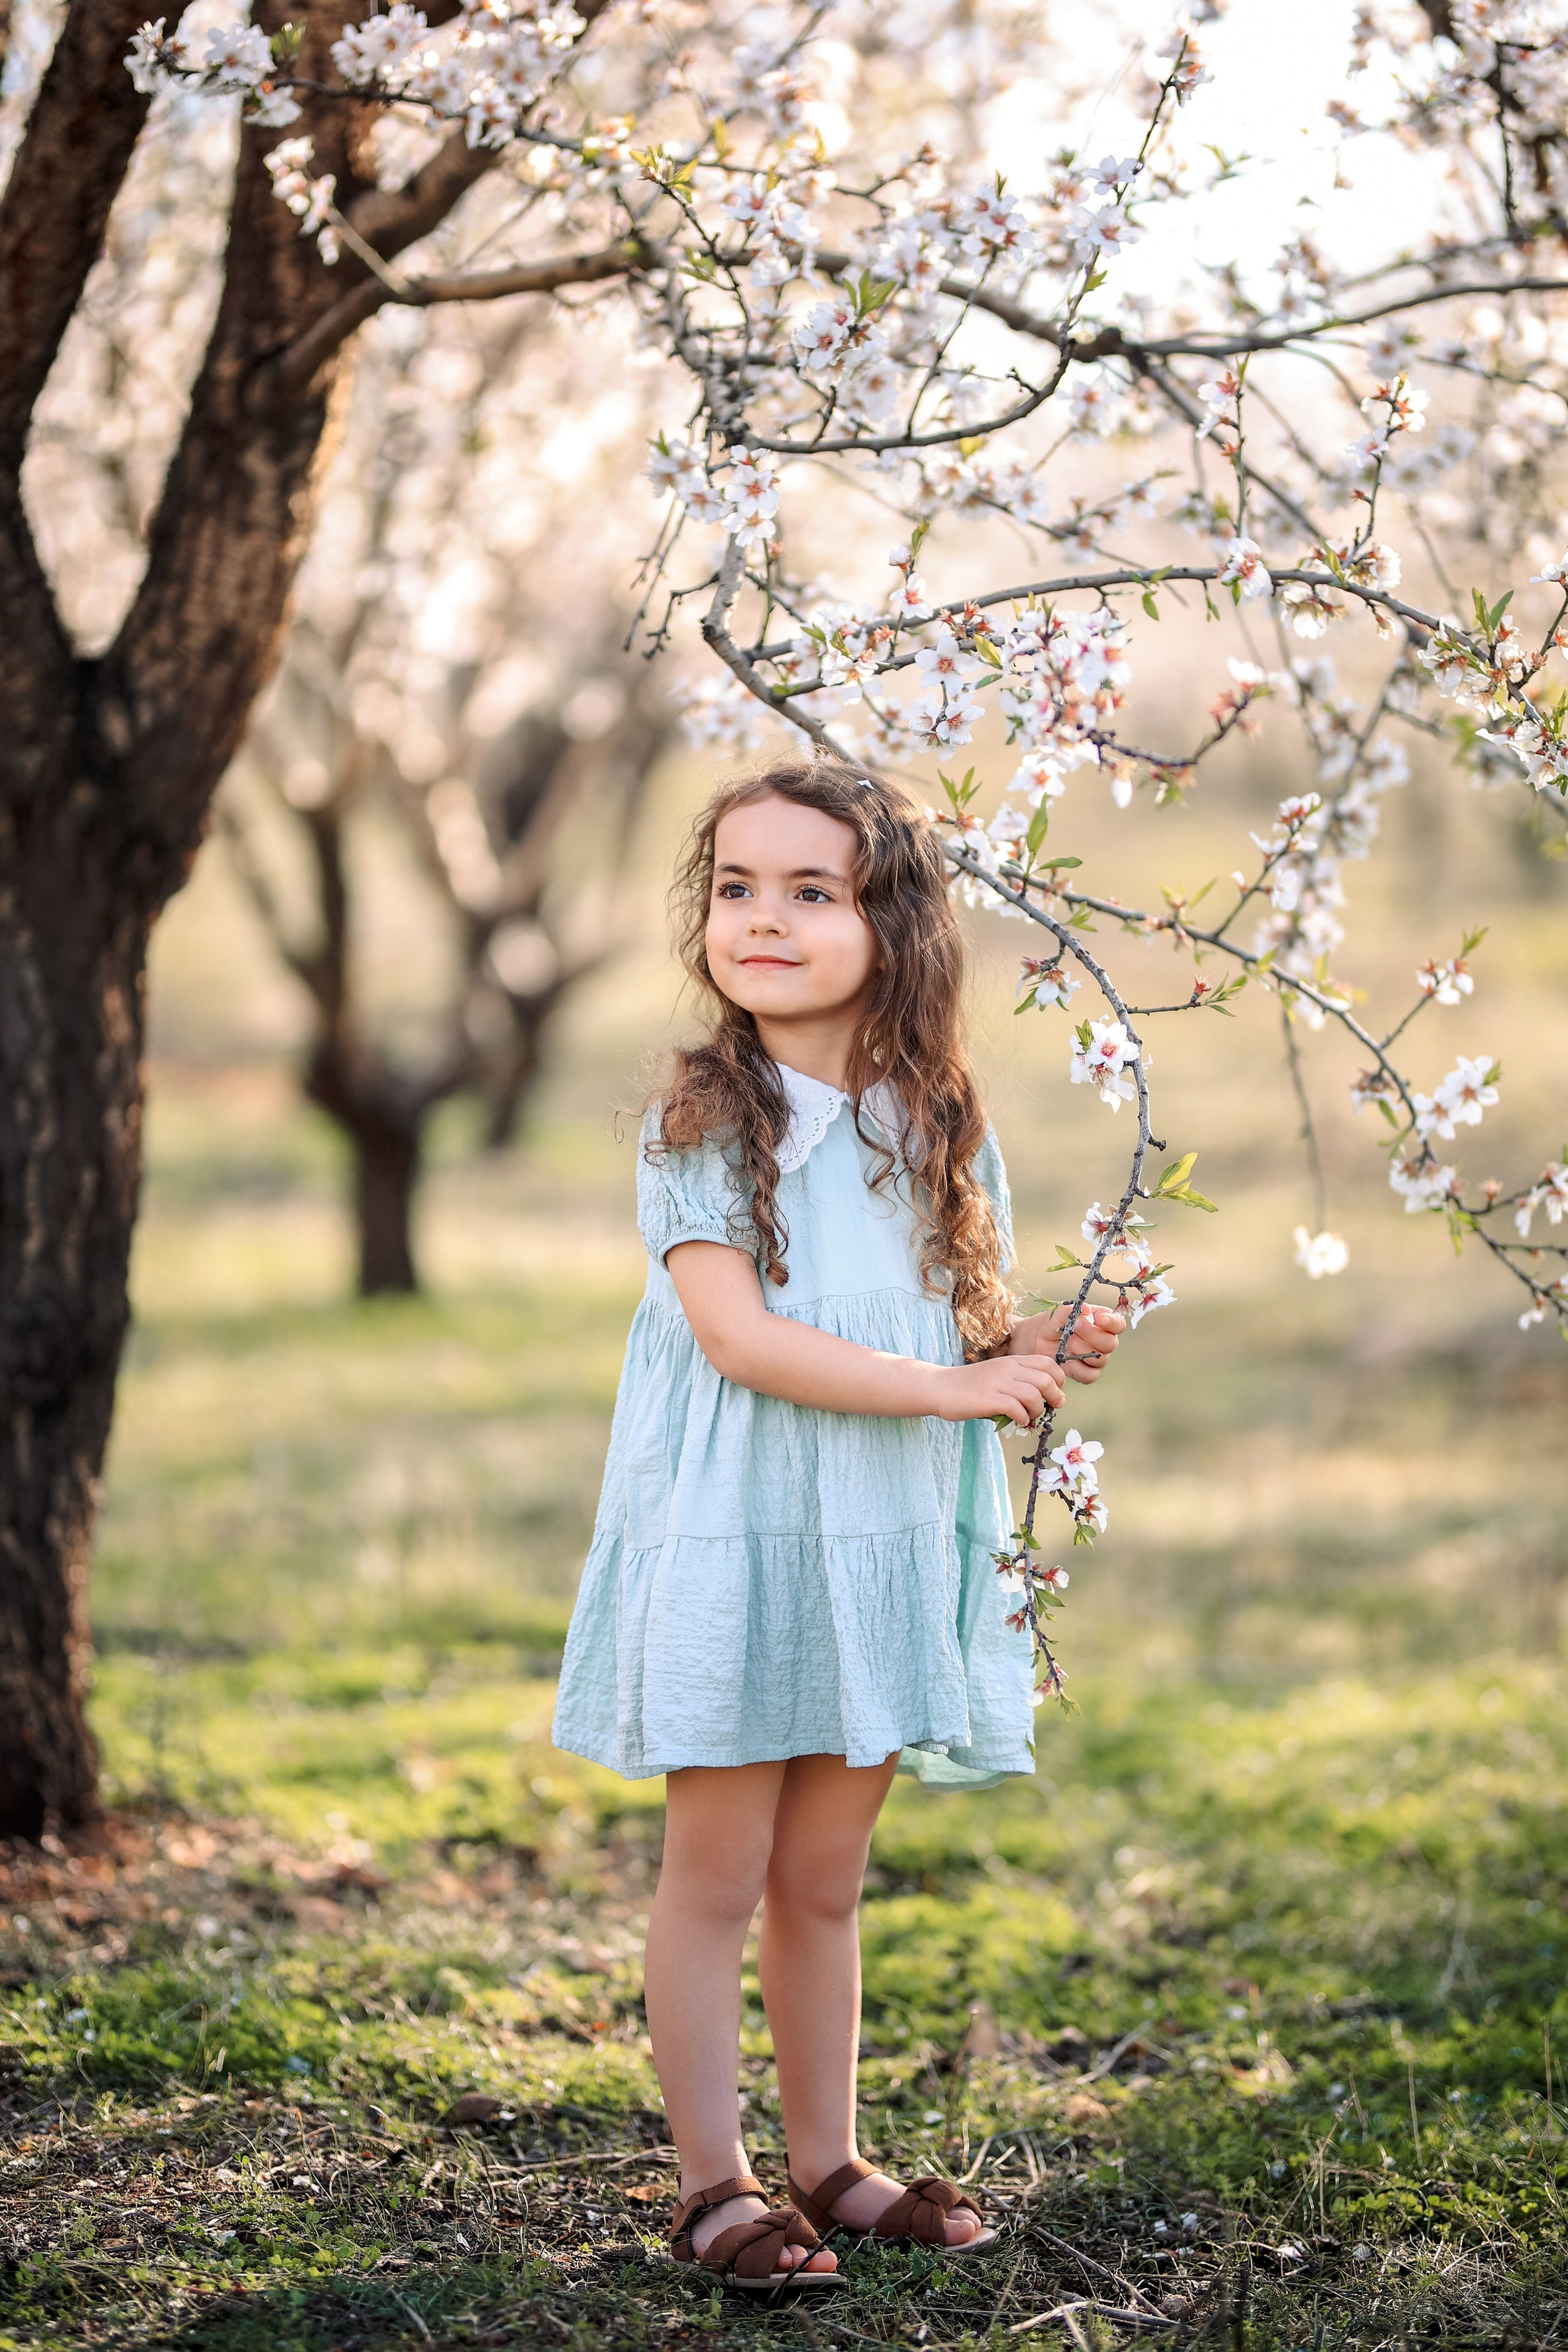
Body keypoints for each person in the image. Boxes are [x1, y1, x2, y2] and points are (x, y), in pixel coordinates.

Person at [552, 753, 1123, 2288]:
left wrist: (1026, 1352)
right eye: (737, 887)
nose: (765, 918)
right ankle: (715, 2186)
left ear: (895, 928)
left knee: (823, 1880)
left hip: (867, 1543)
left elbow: (961, 1331)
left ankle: (829, 2161)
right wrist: (946, 1396)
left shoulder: (936, 1121)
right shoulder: (706, 1116)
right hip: (739, 1538)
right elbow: (738, 1338)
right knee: (716, 1874)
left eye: (814, 891)